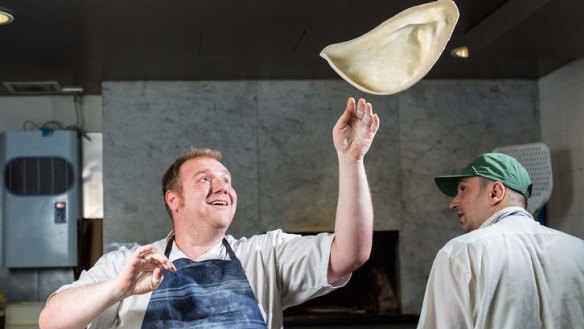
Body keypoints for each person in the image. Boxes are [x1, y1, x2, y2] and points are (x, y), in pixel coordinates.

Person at [38, 96, 381, 329]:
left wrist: (351, 160)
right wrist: (119, 288)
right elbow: (50, 320)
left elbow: (350, 253)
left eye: (227, 180)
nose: (223, 188)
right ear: (174, 200)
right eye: (205, 179)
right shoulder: (128, 266)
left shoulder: (265, 254)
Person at [417, 152, 584, 329]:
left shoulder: (462, 252)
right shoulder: (578, 249)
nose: (454, 203)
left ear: (495, 193)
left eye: (463, 189)